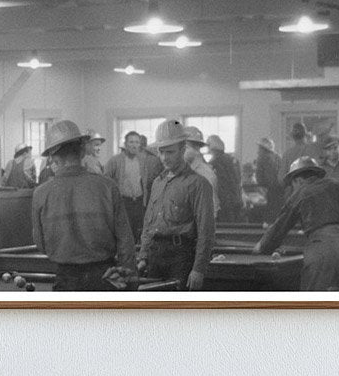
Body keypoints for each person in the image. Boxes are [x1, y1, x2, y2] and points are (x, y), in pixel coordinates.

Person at [31, 120, 137, 290]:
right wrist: (129, 277)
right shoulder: (107, 187)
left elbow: (41, 244)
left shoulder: (41, 194)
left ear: (52, 156)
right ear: (82, 150)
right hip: (106, 277)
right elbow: (125, 240)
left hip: (66, 280)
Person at [254, 156, 339, 291]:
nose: (293, 189)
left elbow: (279, 228)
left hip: (320, 253)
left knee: (312, 307)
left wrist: (262, 248)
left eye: (292, 185)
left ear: (297, 180)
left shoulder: (300, 193)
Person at [137, 118, 215, 290]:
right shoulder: (157, 182)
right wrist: (143, 256)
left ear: (183, 150)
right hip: (155, 256)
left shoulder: (198, 184)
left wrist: (199, 269)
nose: (164, 158)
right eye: (161, 152)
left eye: (170, 152)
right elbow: (149, 223)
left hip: (181, 258)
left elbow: (206, 231)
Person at [103, 131, 156, 243]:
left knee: (140, 232)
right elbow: (105, 180)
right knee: (125, 233)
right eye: (131, 142)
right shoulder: (115, 160)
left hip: (139, 202)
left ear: (140, 145)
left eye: (137, 142)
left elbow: (146, 181)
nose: (134, 145)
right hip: (123, 202)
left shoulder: (143, 160)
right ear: (125, 144)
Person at [204, 134, 246, 222]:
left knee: (226, 228)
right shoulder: (233, 160)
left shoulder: (214, 163)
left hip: (224, 203)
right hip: (237, 199)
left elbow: (216, 184)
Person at [184, 126, 219, 218]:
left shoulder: (205, 174)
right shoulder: (183, 170)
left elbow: (210, 209)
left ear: (196, 149)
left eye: (186, 147)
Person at [254, 137, 284, 221]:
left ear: (263, 149)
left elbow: (260, 178)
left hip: (270, 191)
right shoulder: (278, 157)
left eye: (259, 148)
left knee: (270, 218)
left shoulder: (262, 158)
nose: (258, 151)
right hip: (281, 191)